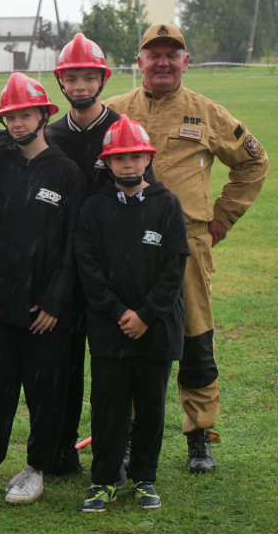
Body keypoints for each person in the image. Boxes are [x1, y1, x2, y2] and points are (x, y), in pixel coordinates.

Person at [104, 23, 268, 473]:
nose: (162, 62)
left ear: (185, 62)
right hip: (127, 243)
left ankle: (200, 435)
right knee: (130, 333)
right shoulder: (113, 112)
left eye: (171, 55)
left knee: (196, 337)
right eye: (153, 55)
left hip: (191, 242)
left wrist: (223, 216)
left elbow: (254, 160)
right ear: (138, 63)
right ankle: (129, 433)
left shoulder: (208, 113)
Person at [0, 73, 85, 506]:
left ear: (44, 115)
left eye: (26, 114)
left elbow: (74, 245)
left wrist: (56, 300)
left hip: (45, 310)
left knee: (45, 392)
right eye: (10, 116)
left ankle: (36, 469)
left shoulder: (67, 173)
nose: (17, 124)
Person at [75, 115, 188, 512]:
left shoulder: (167, 205)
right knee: (108, 407)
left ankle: (145, 479)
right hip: (109, 330)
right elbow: (87, 268)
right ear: (106, 162)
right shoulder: (93, 209)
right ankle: (104, 480)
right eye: (119, 157)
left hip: (155, 330)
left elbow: (175, 268)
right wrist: (119, 312)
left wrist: (146, 315)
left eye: (135, 156)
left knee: (151, 408)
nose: (127, 164)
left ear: (147, 159)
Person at [44, 33, 120, 475]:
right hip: (65, 267)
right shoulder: (50, 134)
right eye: (71, 78)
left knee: (110, 367)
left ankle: (116, 450)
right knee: (66, 366)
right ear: (61, 81)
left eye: (88, 77)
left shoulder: (121, 129)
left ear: (102, 78)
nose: (80, 86)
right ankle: (62, 449)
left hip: (111, 268)